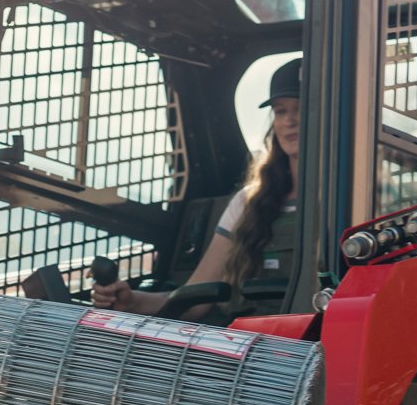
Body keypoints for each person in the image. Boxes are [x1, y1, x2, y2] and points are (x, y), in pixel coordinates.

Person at [91, 58, 301, 323]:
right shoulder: (247, 203)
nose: (290, 120)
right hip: (248, 345)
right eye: (281, 111)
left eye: (301, 109)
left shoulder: (351, 201)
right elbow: (193, 300)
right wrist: (131, 300)